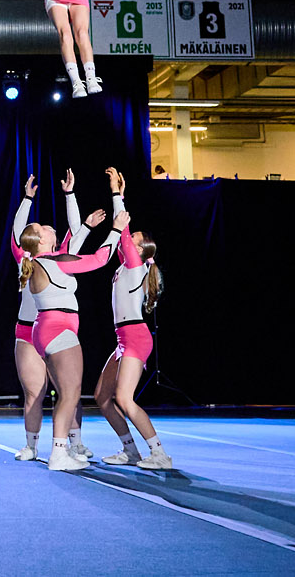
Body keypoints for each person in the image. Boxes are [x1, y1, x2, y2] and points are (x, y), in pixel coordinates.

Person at [14, 173, 124, 472]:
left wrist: (74, 203)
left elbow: (75, 238)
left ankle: (67, 447)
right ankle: (57, 452)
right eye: (43, 228)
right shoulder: (50, 261)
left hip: (47, 329)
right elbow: (100, 258)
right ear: (39, 240)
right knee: (69, 393)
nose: (50, 228)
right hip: (55, 328)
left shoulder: (44, 261)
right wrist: (116, 230)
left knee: (68, 393)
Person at [94, 168, 172, 470]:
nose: (129, 237)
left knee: (125, 399)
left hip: (136, 337)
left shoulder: (136, 266)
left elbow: (122, 230)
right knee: (102, 396)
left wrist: (116, 193)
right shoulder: (124, 267)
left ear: (139, 249)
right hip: (123, 339)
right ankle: (130, 450)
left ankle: (159, 454)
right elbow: (120, 234)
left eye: (134, 238)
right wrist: (121, 197)